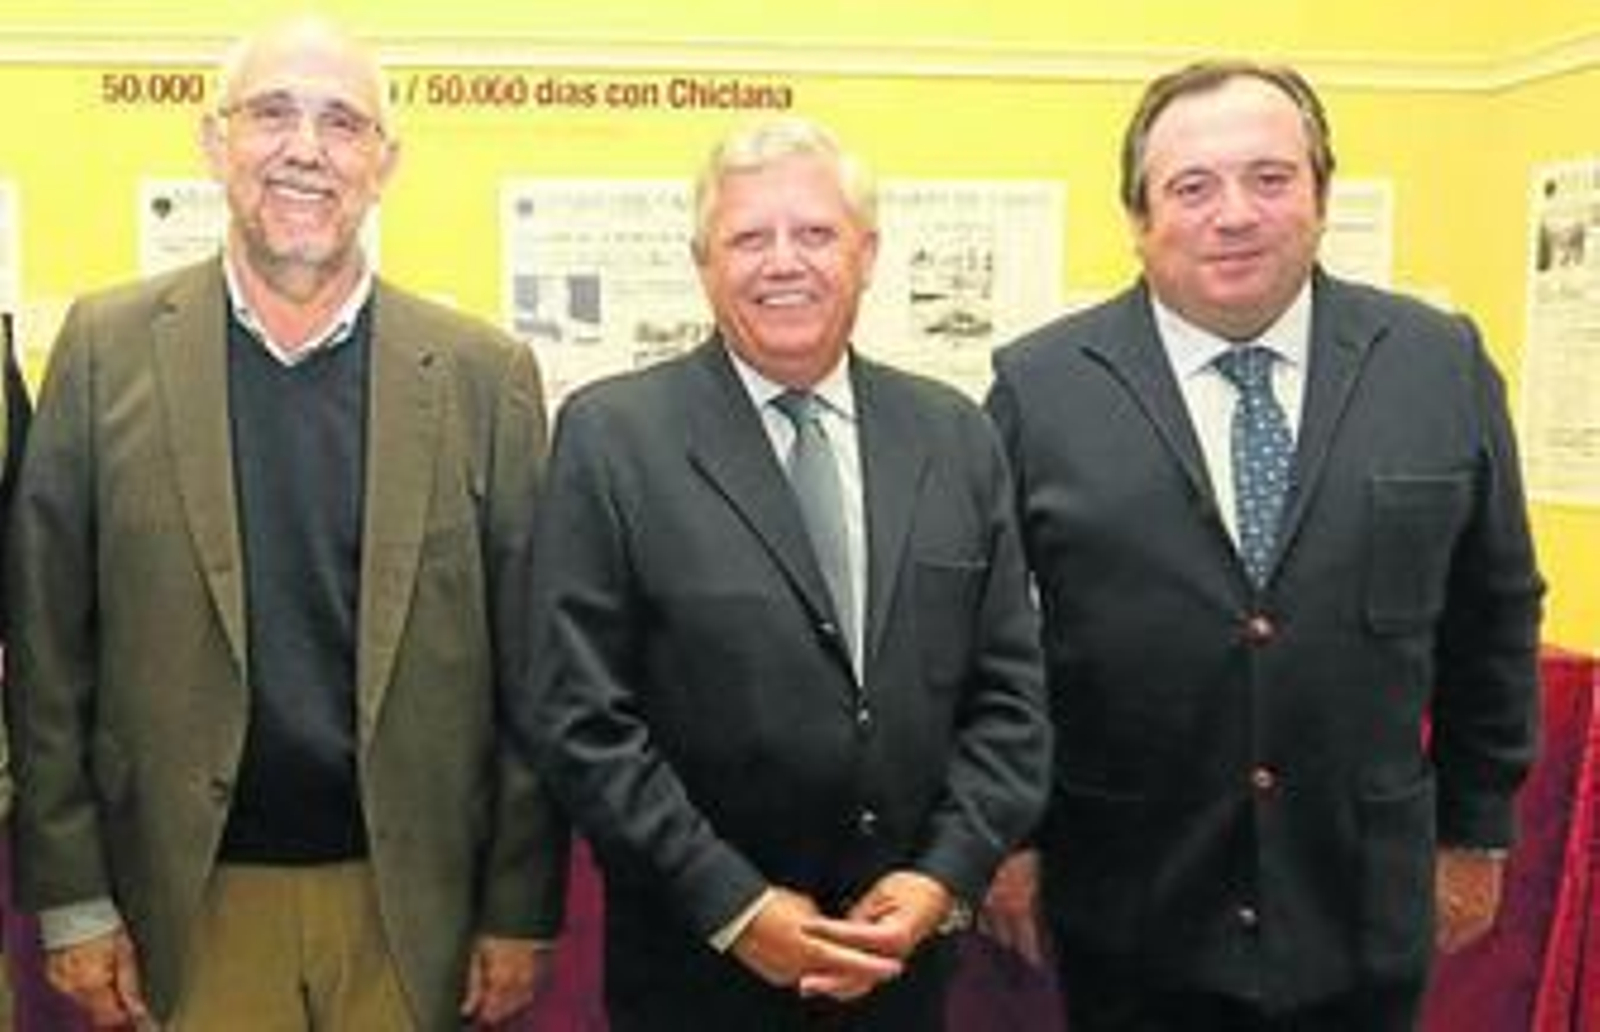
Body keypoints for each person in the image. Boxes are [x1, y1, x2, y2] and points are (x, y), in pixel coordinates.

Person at [3, 16, 566, 1029]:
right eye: (272, 114)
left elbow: (532, 673)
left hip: (410, 910)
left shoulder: (486, 378)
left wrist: (518, 905)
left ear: (383, 164)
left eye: (342, 123)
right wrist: (73, 900)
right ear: (214, 142)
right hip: (180, 902)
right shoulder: (102, 350)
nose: (305, 148)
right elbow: (49, 653)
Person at [985, 60, 1544, 1030]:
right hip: (1128, 906)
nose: (1233, 213)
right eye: (1191, 186)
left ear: (1320, 194)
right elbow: (985, 643)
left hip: (1364, 901)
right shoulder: (1039, 389)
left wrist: (1475, 832)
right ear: (1138, 216)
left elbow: (1492, 611)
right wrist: (1009, 843)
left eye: (1269, 177)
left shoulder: (1436, 364)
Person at [520, 116, 1050, 1030]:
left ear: (867, 251)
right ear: (703, 261)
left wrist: (942, 877)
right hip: (696, 969)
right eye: (748, 238)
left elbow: (1010, 699)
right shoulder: (614, 439)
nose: (783, 263)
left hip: (904, 969)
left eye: (814, 234)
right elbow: (579, 715)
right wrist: (732, 904)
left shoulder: (953, 435)